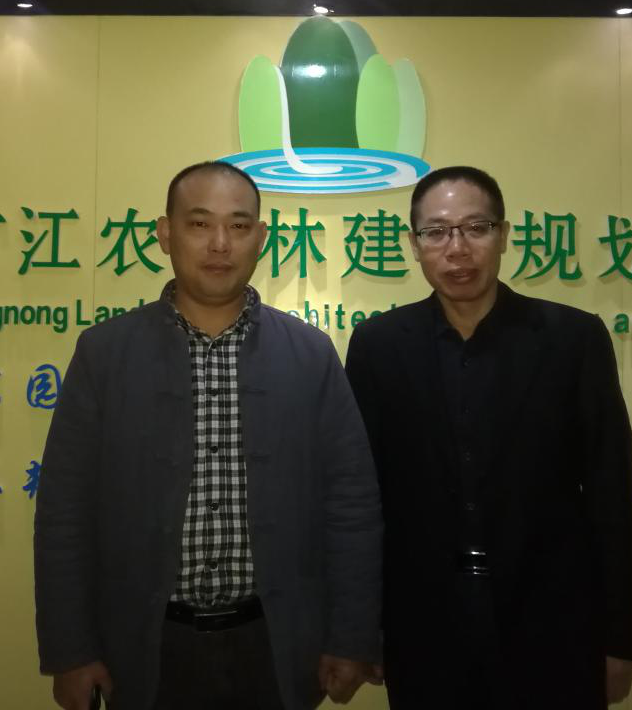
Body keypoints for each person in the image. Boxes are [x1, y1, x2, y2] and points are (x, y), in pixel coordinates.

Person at [34, 161, 382, 710]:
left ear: (260, 238)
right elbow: (65, 512)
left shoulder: (310, 354)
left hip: (276, 646)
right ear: (165, 233)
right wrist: (71, 650)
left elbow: (351, 505)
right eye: (199, 224)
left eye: (239, 226)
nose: (220, 243)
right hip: (145, 649)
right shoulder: (104, 354)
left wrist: (351, 636)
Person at [344, 166, 632, 709]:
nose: (457, 248)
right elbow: (364, 499)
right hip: (423, 627)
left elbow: (610, 498)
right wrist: (365, 625)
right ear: (414, 244)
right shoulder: (377, 347)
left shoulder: (572, 340)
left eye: (476, 227)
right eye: (437, 232)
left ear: (503, 235)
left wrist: (620, 637)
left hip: (554, 625)